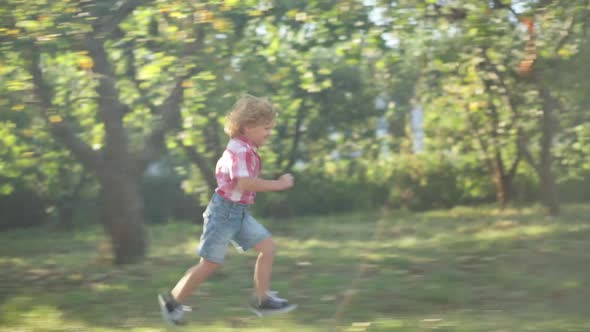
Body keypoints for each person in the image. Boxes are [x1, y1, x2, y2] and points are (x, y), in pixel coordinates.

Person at [158, 95, 296, 325]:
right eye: (266, 128)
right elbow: (245, 183)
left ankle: (263, 299)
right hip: (223, 214)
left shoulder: (246, 148)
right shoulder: (239, 150)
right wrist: (279, 184)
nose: (269, 133)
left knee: (268, 248)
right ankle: (173, 302)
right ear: (249, 126)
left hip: (239, 212)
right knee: (210, 264)